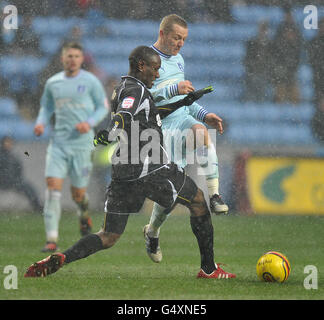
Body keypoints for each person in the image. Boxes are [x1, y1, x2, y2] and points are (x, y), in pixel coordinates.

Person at [24, 45, 236, 280]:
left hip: (123, 173)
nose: (157, 74)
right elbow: (123, 118)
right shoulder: (136, 91)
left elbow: (149, 114)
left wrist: (185, 102)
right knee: (198, 201)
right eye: (155, 69)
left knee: (108, 235)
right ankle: (209, 269)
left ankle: (62, 258)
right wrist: (110, 131)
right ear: (141, 66)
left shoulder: (124, 88)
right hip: (150, 167)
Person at [143, 14, 228, 263]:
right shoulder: (146, 58)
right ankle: (152, 231)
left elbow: (184, 102)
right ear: (162, 34)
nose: (180, 43)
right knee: (169, 195)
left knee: (202, 131)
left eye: (184, 39)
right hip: (159, 128)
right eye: (176, 38)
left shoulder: (179, 60)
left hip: (181, 120)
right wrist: (173, 89)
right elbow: (144, 98)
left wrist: (204, 114)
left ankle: (214, 195)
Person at [33, 41, 109, 252]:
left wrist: (89, 123)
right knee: (53, 188)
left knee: (78, 194)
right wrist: (40, 122)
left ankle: (83, 214)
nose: (72, 59)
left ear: (81, 59)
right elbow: (46, 107)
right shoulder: (53, 83)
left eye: (76, 56)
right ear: (62, 58)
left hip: (82, 146)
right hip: (58, 143)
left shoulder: (91, 81)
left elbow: (103, 107)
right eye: (69, 56)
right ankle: (51, 239)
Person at [0, 136, 42, 212]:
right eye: (7, 142)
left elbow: (19, 170)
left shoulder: (13, 156)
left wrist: (16, 179)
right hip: (2, 182)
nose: (9, 144)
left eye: (10, 142)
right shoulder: (2, 156)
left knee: (29, 188)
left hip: (13, 182)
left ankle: (37, 207)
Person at [243, 21, 273, 102]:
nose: (263, 32)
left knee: (263, 88)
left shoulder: (271, 44)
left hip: (265, 72)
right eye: (262, 29)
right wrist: (253, 67)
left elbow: (272, 59)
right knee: (252, 85)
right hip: (253, 71)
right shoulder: (251, 43)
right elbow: (247, 59)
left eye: (265, 29)